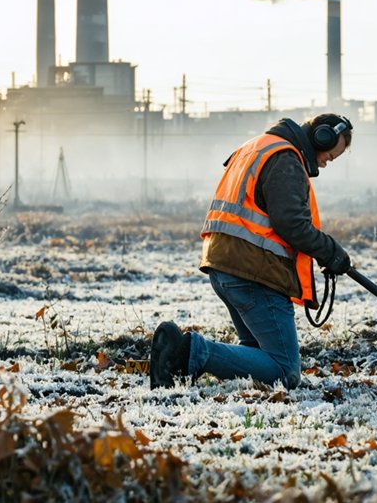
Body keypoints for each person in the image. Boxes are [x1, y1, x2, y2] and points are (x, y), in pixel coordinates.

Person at [149, 113, 354, 390]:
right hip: (254, 273)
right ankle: (187, 352)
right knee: (284, 370)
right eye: (331, 154)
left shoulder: (256, 147)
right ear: (322, 137)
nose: (327, 162)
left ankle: (179, 360)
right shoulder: (286, 160)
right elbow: (292, 224)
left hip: (224, 264)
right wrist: (331, 252)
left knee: (257, 353)